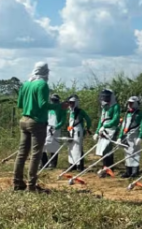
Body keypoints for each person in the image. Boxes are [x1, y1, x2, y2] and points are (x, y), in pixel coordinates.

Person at [13, 62, 65, 192]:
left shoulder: (26, 84)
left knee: (22, 154)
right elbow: (43, 104)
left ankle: (17, 183)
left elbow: (19, 104)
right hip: (37, 122)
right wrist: (59, 106)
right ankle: (31, 186)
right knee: (36, 154)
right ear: (45, 72)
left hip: (24, 120)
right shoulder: (42, 84)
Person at [117, 96, 142, 178]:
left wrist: (140, 137)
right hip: (127, 136)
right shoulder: (127, 113)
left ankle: (135, 171)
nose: (130, 105)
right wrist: (120, 137)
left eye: (132, 103)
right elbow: (124, 126)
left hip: (135, 136)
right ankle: (128, 171)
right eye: (129, 103)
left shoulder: (140, 114)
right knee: (127, 154)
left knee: (135, 153)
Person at [94, 89, 121, 168]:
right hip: (102, 129)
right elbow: (101, 120)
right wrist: (97, 131)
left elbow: (115, 120)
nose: (104, 99)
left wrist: (106, 126)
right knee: (101, 148)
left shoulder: (115, 106)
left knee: (107, 148)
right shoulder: (104, 107)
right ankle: (105, 166)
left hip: (111, 129)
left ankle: (109, 167)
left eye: (106, 97)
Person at [66, 95, 92, 171]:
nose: (71, 104)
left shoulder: (80, 111)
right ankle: (72, 164)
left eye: (72, 103)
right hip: (71, 130)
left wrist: (87, 128)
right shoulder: (70, 111)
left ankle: (79, 165)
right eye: (70, 103)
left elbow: (88, 119)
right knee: (70, 147)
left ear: (76, 103)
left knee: (78, 148)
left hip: (78, 130)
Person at [42, 94, 65, 169]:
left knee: (54, 145)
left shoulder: (61, 108)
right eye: (52, 100)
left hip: (55, 129)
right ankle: (44, 163)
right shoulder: (48, 108)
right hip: (47, 127)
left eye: (55, 100)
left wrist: (57, 126)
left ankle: (53, 164)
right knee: (43, 145)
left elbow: (63, 120)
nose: (53, 102)